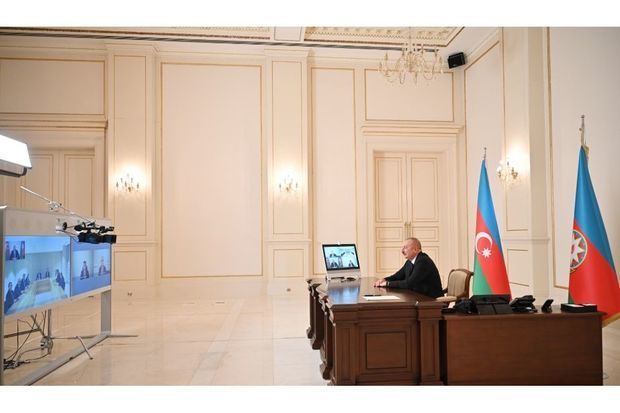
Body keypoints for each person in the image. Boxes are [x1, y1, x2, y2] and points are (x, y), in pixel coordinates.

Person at [373, 237, 443, 298]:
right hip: (418, 297)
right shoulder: (410, 261)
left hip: (431, 301)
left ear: (415, 249)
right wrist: (384, 280)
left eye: (405, 248)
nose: (402, 251)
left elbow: (410, 283)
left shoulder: (423, 261)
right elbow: (397, 276)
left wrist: (387, 284)